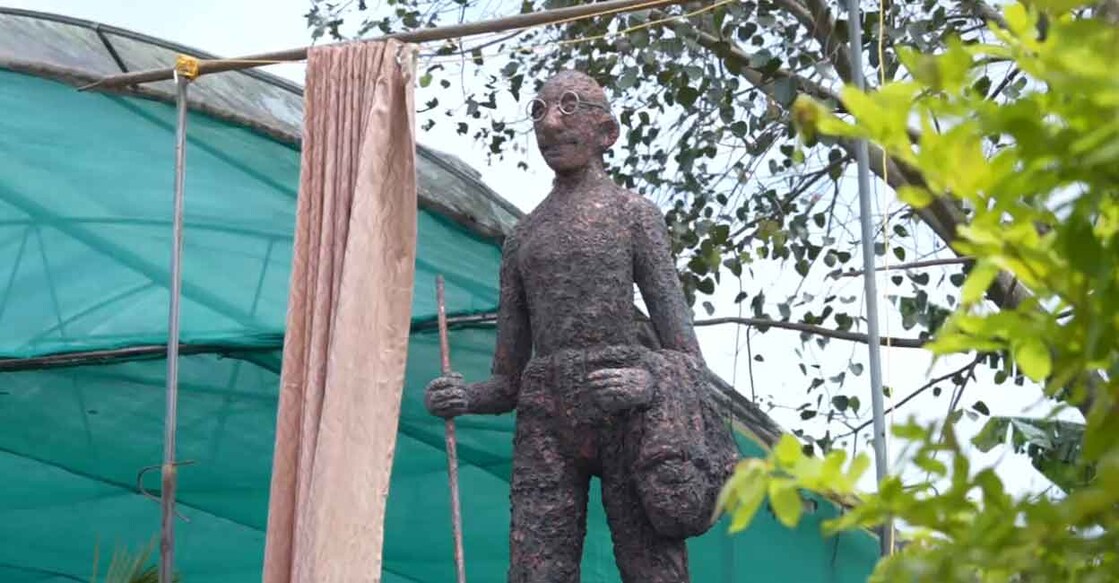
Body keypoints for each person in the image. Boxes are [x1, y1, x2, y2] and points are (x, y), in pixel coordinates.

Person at [424, 70, 736, 583]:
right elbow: (507, 382)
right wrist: (465, 396)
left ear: (606, 132)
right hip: (546, 411)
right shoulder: (523, 237)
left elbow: (685, 354)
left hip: (626, 409)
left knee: (652, 566)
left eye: (569, 108)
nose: (550, 124)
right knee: (535, 569)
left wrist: (651, 382)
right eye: (540, 111)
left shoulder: (632, 215)